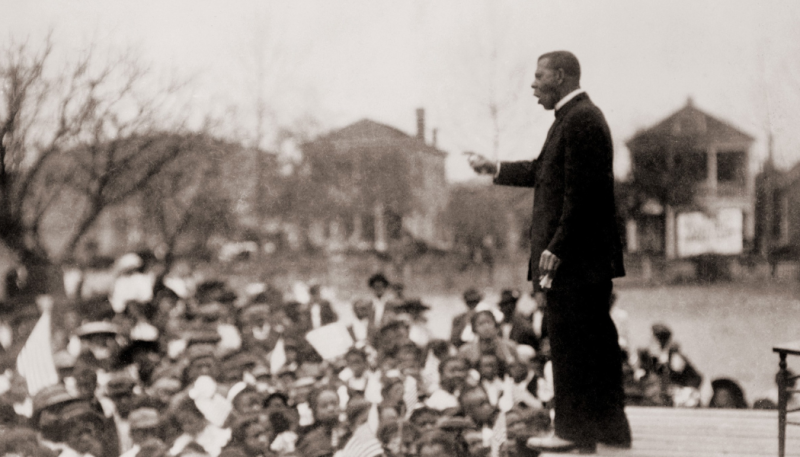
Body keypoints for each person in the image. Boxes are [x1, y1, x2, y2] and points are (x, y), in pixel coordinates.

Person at [469, 50, 630, 453]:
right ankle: (606, 430)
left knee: (572, 344)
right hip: (580, 259)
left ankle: (574, 431)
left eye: (539, 76)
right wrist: (496, 168)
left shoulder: (580, 120)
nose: (533, 84)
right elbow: (546, 172)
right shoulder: (574, 119)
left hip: (573, 260)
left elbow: (583, 194)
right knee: (592, 343)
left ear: (559, 76)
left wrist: (557, 246)